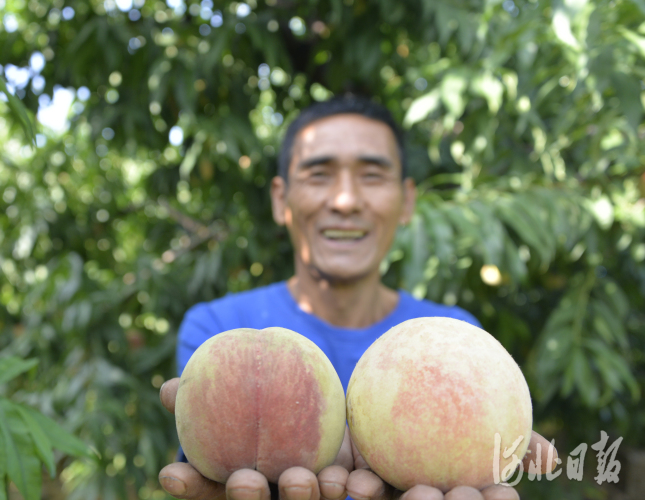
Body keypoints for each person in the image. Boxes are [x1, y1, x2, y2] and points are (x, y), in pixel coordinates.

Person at [157, 96, 557, 500]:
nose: (345, 201)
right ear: (281, 199)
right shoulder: (218, 326)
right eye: (319, 174)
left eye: (371, 175)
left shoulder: (457, 334)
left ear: (407, 201)